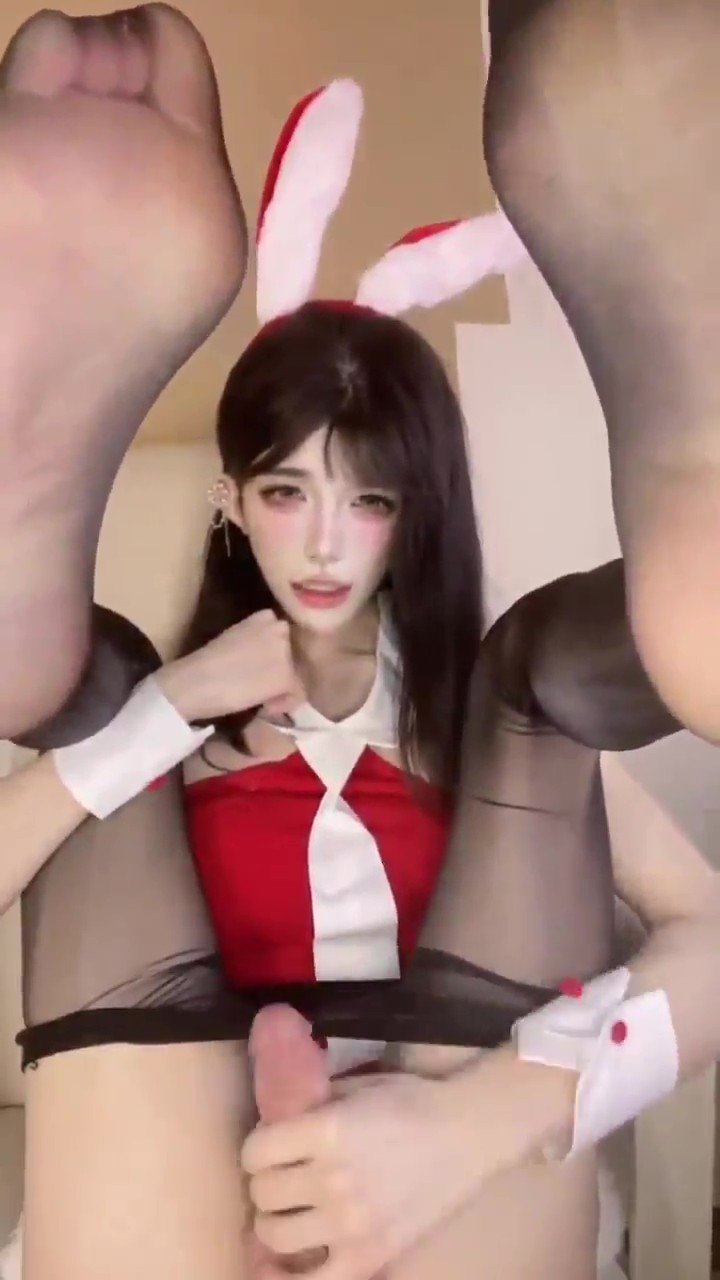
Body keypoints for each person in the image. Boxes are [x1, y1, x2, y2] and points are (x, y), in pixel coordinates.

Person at [1, 5, 719, 1280]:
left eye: (371, 498)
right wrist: (167, 712)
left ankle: (687, 579)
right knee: (103, 695)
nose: (327, 544)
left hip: (446, 1180)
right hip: (181, 1163)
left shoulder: (476, 726)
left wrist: (478, 1121)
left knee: (523, 690)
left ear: (413, 516)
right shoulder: (168, 736)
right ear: (232, 501)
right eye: (288, 491)